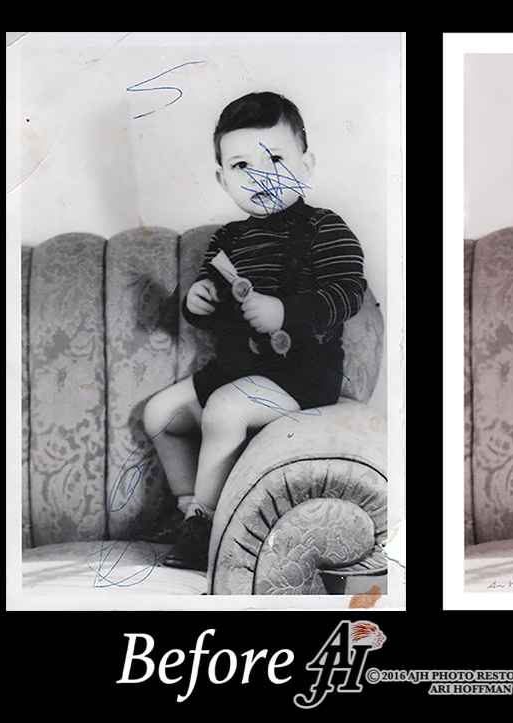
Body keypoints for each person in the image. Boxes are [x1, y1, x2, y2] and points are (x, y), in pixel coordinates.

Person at [142, 92, 367, 571]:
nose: (260, 176)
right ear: (224, 179)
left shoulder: (325, 228)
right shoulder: (228, 240)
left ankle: (207, 527)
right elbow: (214, 305)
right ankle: (188, 510)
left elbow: (349, 293)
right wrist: (198, 299)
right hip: (237, 369)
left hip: (302, 377)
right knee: (160, 414)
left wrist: (286, 312)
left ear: (305, 166)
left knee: (223, 410)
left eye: (276, 159)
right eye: (242, 165)